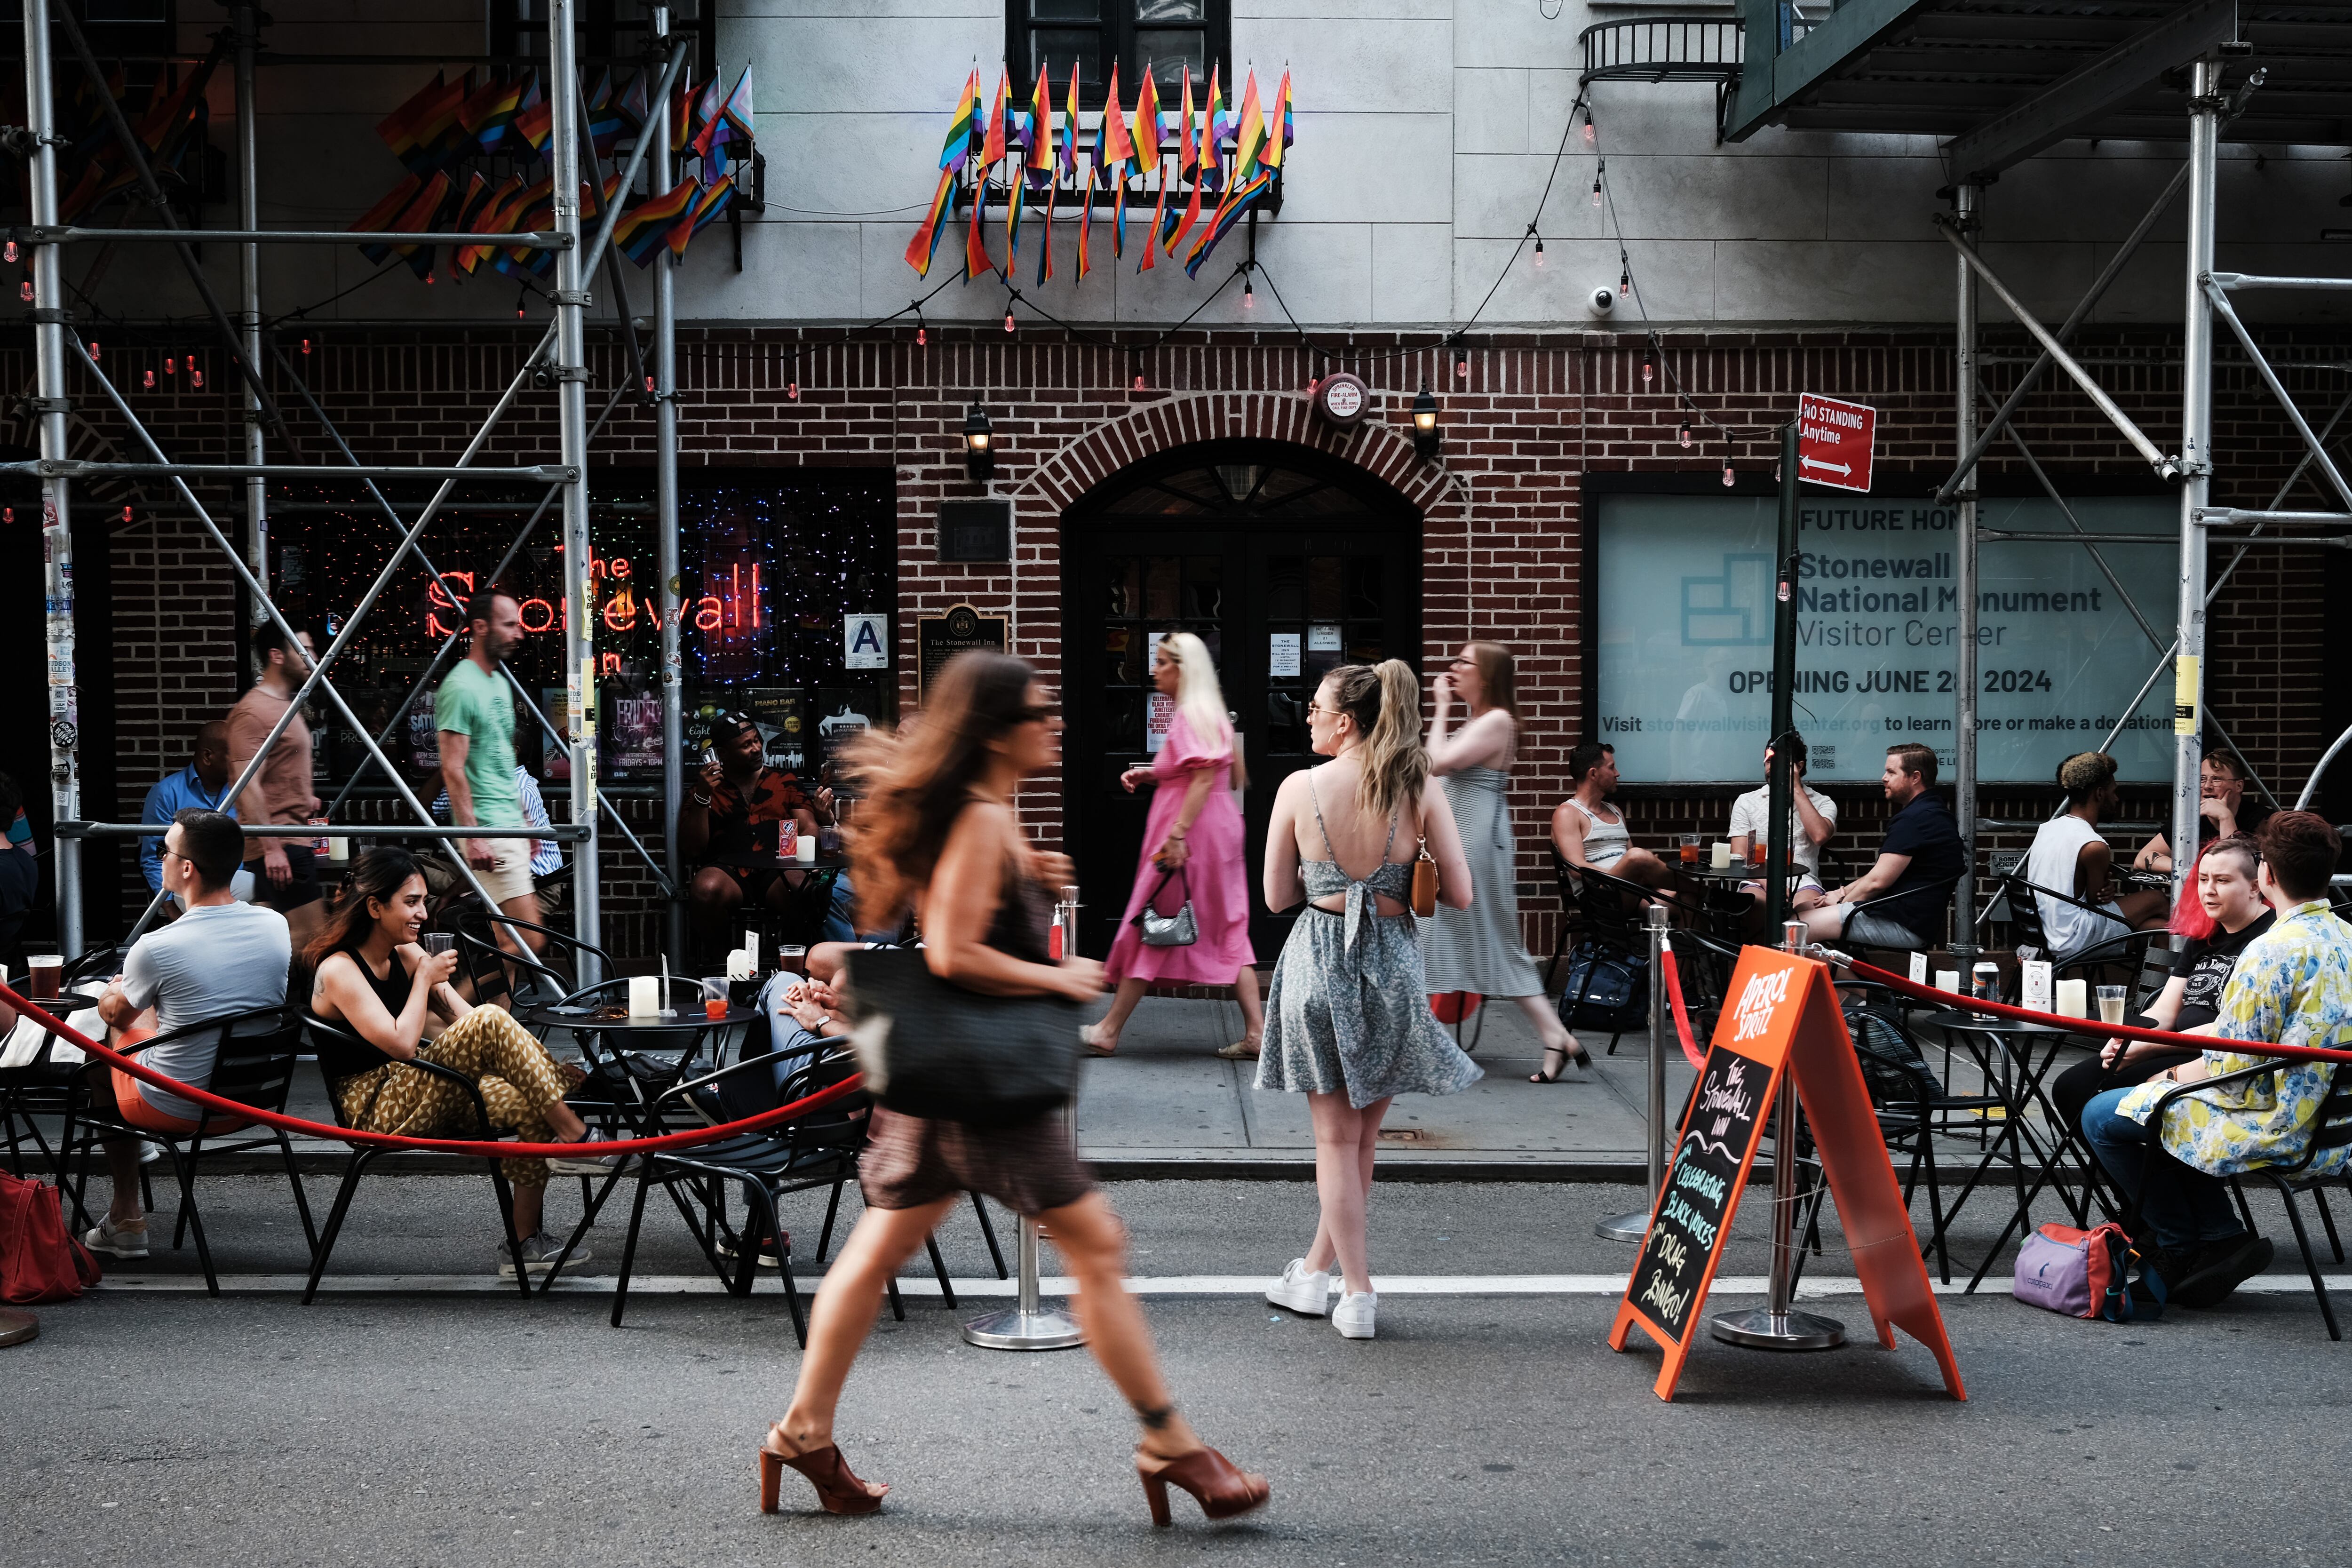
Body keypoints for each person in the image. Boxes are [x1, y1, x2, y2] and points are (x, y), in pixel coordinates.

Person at [763, 652, 1265, 1525]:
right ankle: (1169, 1441)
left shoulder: (983, 816)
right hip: (987, 1086)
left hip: (941, 1075)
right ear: (997, 732)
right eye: (1039, 711)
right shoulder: (982, 817)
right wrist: (1059, 979)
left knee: (878, 1251)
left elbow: (957, 923)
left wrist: (1031, 877)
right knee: (1098, 1246)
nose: (1055, 722)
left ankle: (803, 1433)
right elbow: (956, 954)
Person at [1257, 661, 1479, 1341]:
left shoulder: (1299, 787)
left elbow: (1275, 898)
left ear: (1347, 720)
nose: (1311, 716)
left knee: (1333, 1139)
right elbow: (1461, 896)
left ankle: (1356, 1291)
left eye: (1318, 707)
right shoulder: (1418, 787)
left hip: (1320, 959)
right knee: (1360, 1140)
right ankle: (1314, 1274)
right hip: (1392, 961)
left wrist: (1320, 869)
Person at [2082, 812, 2352, 1307]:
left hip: (2278, 1125)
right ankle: (2212, 1236)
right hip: (2337, 1129)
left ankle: (2183, 1243)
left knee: (2101, 1114)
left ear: (2265, 878)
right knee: (2141, 1104)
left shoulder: (2268, 952)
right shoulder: (2348, 938)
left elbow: (2231, 1072)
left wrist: (2161, 1076)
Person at [306, 847, 609, 1276]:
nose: (422, 914)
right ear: (375, 906)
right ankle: (576, 1139)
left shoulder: (406, 954)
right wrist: (425, 980)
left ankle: (524, 1243)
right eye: (411, 902)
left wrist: (533, 1068)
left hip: (417, 1085)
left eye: (423, 902)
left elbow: (469, 1023)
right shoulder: (339, 968)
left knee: (526, 1092)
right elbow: (400, 1045)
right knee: (492, 1018)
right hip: (373, 1106)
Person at [78, 810, 291, 1260]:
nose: (161, 860)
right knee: (157, 1014)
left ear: (187, 867)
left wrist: (115, 988)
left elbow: (115, 1012)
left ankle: (126, 1216)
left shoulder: (157, 946)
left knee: (101, 1056)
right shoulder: (276, 925)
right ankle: (137, 1168)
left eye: (165, 851)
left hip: (175, 1106)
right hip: (252, 1102)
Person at [1085, 633, 1262, 1061]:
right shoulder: (1206, 711)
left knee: (1156, 921)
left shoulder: (1191, 714)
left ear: (1184, 668)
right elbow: (1199, 771)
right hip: (1214, 832)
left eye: (1163, 661)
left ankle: (1108, 1030)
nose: (1154, 669)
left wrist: (1178, 834)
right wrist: (1152, 773)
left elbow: (1202, 776)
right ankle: (1258, 1031)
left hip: (1191, 836)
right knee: (1227, 925)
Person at [1417, 642, 1585, 1082]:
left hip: (1472, 844)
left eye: (1463, 663)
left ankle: (1421, 1041)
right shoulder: (1482, 720)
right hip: (1465, 840)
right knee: (1462, 937)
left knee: (1471, 937)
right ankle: (1555, 1035)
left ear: (1486, 675)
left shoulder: (1496, 721)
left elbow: (1436, 763)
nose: (1453, 668)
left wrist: (1439, 708)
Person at [2050, 834, 2272, 1134]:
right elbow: (2165, 1011)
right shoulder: (2205, 937)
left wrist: (2147, 1049)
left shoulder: (2270, 940)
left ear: (2255, 886)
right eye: (2203, 880)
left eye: (2222, 881)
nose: (2208, 891)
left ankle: (2157, 1174)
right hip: (2174, 1045)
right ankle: (2125, 1177)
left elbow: (2233, 1027)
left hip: (2214, 1060)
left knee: (2105, 1104)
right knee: (2070, 1087)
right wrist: (2126, 1042)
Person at [435, 586, 546, 963]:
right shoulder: (460, 686)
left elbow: (499, 761)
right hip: (488, 829)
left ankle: (484, 1020)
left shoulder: (498, 682)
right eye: (509, 625)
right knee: (528, 942)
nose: (519, 633)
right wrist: (475, 836)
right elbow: (453, 768)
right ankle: (454, 1015)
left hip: (507, 823)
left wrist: (525, 818)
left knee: (509, 945)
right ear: (480, 627)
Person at [680, 709, 839, 948]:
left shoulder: (784, 782)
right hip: (727, 871)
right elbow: (692, 849)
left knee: (802, 888)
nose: (756, 749)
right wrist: (703, 797)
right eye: (745, 745)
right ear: (723, 754)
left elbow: (809, 829)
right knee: (705, 888)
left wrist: (799, 861)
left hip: (777, 870)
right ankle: (721, 972)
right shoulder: (705, 789)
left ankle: (793, 968)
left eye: (757, 740)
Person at [1801, 744, 1964, 949]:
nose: (1883, 778)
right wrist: (1841, 893)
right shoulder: (1931, 812)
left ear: (1915, 777)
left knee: (1794, 930)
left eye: (1891, 772)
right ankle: (1852, 980)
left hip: (1901, 924)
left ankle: (1855, 983)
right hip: (1905, 918)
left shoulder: (1914, 820)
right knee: (1802, 912)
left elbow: (1877, 883)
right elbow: (1877, 876)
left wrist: (1842, 904)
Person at [227, 620, 326, 943]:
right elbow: (246, 784)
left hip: (292, 839)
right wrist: (271, 848)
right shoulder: (254, 712)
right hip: (281, 844)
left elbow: (275, 774)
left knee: (271, 937)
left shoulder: (287, 706)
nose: (313, 657)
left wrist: (304, 797)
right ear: (277, 656)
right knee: (312, 938)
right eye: (304, 650)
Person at [2025, 751, 2170, 962]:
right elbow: (2096, 899)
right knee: (2156, 898)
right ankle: (2202, 958)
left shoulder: (2048, 829)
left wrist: (2105, 888)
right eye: (2114, 791)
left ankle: (2153, 995)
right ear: (2100, 794)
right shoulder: (2093, 845)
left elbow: (2087, 891)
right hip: (2073, 937)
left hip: (2046, 931)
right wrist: (2105, 888)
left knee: (2162, 930)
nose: (2117, 798)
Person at [1727, 732, 1837, 913]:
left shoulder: (1823, 802)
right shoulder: (1747, 801)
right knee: (1756, 906)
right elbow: (1739, 852)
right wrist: (1770, 884)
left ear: (1799, 766)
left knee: (1806, 913)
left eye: (1781, 763)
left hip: (1803, 882)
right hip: (1759, 880)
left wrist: (1796, 788)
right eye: (1770, 762)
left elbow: (1820, 836)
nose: (1772, 768)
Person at [1549, 741, 1672, 892]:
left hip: (1632, 891)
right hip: (1599, 896)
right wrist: (1625, 874)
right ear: (1593, 773)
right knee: (1637, 856)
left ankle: (1702, 894)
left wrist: (1638, 870)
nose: (1617, 773)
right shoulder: (1568, 813)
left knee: (1687, 898)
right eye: (1611, 767)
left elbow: (1629, 856)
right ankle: (1705, 892)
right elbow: (1577, 869)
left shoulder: (1615, 811)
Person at [138, 721, 238, 901]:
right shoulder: (166, 793)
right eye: (234, 755)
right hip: (188, 888)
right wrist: (171, 912)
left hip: (236, 887)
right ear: (208, 756)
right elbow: (154, 859)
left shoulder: (244, 792)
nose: (241, 763)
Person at [2135, 746, 2273, 875]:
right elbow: (2142, 859)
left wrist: (2226, 818)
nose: (2207, 786)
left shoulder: (2262, 819)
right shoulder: (2190, 818)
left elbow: (2239, 869)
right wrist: (2194, 870)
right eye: (2202, 779)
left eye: (2217, 780)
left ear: (2239, 786)